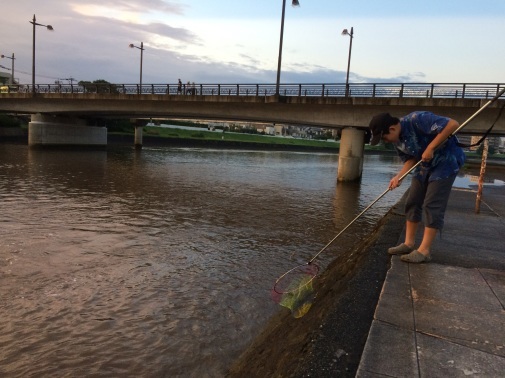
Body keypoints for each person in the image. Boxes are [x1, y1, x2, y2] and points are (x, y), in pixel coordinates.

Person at [368, 111, 465, 263]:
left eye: (384, 137)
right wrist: (399, 176)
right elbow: (411, 159)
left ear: (392, 129)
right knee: (412, 201)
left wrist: (431, 147)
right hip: (424, 164)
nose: (384, 141)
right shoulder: (397, 141)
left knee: (432, 204)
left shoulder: (417, 119)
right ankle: (408, 243)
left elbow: (453, 124)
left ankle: (424, 251)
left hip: (445, 161)